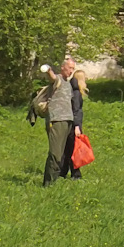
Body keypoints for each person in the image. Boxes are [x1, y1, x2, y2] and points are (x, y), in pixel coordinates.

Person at [40, 55, 82, 186]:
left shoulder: (68, 84)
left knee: (63, 154)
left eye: (73, 69)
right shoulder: (57, 79)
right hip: (57, 120)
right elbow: (51, 77)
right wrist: (47, 70)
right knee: (55, 154)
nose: (71, 71)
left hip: (68, 121)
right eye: (69, 68)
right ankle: (48, 184)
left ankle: (55, 180)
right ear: (62, 67)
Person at [71, 68, 91, 180]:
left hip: (72, 124)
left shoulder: (73, 91)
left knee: (70, 149)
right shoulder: (77, 93)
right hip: (75, 125)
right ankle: (76, 174)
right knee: (75, 149)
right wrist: (77, 126)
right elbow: (76, 110)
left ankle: (66, 172)